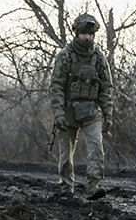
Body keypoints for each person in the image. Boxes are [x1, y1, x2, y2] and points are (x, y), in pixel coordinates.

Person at [49, 13, 114, 200]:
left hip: (91, 110)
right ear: (76, 33)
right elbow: (56, 86)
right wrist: (59, 113)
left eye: (90, 34)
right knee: (66, 153)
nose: (87, 37)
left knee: (95, 147)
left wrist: (108, 113)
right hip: (68, 111)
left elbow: (106, 87)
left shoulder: (99, 58)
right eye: (84, 33)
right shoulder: (65, 56)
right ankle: (66, 188)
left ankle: (93, 185)